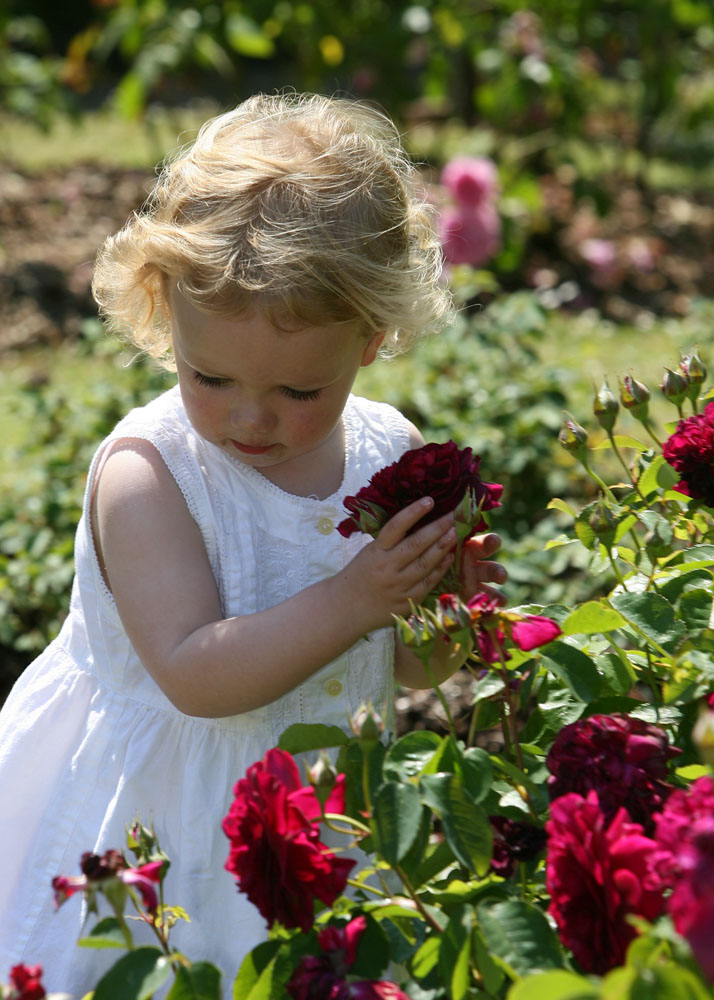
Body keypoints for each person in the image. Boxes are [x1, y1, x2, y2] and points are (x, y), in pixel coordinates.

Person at [0, 92, 505, 994]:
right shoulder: (152, 475)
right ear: (164, 313)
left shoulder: (389, 451)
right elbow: (196, 675)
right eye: (212, 376)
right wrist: (359, 596)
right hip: (166, 830)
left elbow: (403, 669)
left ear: (371, 340)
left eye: (300, 392)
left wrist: (445, 609)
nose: (249, 416)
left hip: (325, 818)